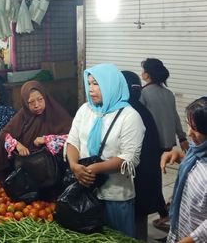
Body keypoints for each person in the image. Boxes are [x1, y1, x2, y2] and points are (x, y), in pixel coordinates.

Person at [66, 64, 144, 237]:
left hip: (115, 194)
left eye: (97, 84)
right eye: (89, 83)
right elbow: (73, 141)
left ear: (111, 85)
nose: (91, 89)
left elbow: (129, 159)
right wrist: (73, 166)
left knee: (116, 238)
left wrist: (93, 170)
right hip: (84, 190)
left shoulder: (129, 117)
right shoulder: (85, 110)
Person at [140, 58, 188, 231]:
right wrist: (182, 138)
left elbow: (141, 121)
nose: (142, 73)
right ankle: (165, 210)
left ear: (147, 74)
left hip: (152, 145)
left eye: (143, 70)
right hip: (167, 144)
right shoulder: (168, 93)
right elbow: (175, 118)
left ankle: (164, 214)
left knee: (151, 179)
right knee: (156, 177)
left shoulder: (143, 93)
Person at [0, 80, 72, 182]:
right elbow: (4, 135)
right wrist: (17, 144)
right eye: (31, 102)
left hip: (53, 172)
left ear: (45, 97)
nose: (37, 105)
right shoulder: (22, 116)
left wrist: (46, 139)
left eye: (40, 99)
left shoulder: (57, 113)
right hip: (27, 171)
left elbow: (72, 137)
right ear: (25, 103)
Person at [122, 71, 164, 241]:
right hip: (145, 177)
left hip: (136, 179)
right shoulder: (141, 110)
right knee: (139, 219)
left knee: (134, 222)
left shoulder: (128, 114)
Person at [161, 97, 207, 243]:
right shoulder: (198, 152)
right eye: (188, 125)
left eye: (195, 129)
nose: (188, 133)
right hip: (182, 229)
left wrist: (189, 240)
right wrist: (181, 156)